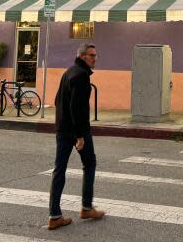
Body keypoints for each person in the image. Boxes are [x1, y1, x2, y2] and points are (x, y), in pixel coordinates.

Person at [47, 43, 104, 230]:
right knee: (90, 163)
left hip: (62, 129)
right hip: (76, 130)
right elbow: (77, 108)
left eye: (95, 55)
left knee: (59, 170)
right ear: (81, 56)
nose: (95, 58)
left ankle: (55, 216)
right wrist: (79, 136)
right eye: (91, 55)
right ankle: (86, 208)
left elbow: (57, 100)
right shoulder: (81, 76)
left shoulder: (69, 72)